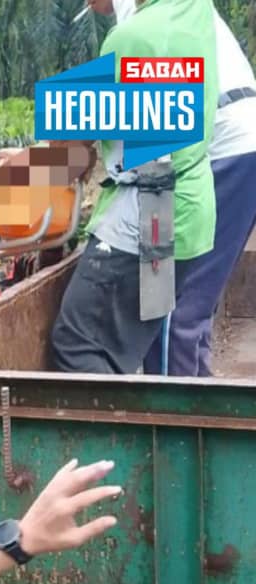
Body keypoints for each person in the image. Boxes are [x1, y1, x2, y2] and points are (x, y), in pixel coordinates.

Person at [49, 0, 221, 375]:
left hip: (146, 218)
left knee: (79, 346)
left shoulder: (132, 37)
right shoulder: (192, 11)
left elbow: (72, 142)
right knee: (126, 348)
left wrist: (22, 166)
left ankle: (108, 416)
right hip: (185, 214)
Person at [126, 1, 256, 376]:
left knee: (167, 307)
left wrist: (44, 159)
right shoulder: (184, 9)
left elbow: (143, 125)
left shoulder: (137, 14)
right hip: (238, 143)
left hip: (216, 150)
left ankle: (172, 410)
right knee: (194, 303)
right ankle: (201, 400)